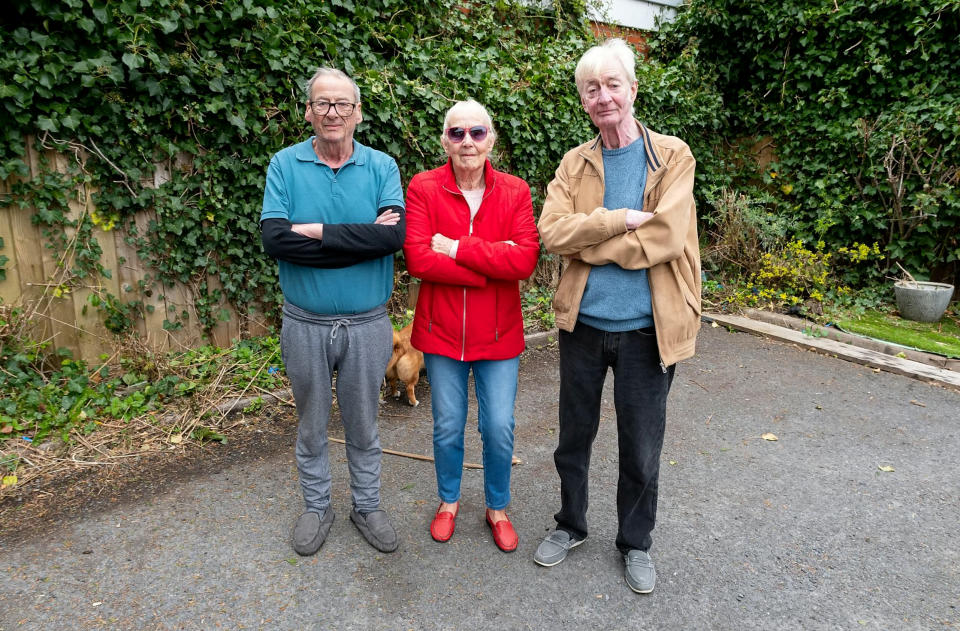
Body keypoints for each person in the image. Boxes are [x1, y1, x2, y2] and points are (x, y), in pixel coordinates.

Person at [534, 39, 701, 593]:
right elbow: (551, 231)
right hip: (584, 326)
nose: (603, 97)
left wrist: (592, 240)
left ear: (632, 88)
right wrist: (619, 220)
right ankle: (570, 525)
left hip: (648, 332)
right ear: (583, 101)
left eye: (612, 85)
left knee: (641, 446)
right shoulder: (574, 162)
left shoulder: (673, 156)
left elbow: (667, 238)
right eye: (591, 88)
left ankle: (635, 542)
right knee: (572, 438)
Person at [260, 67, 405, 555]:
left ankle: (366, 506)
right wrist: (360, 237)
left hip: (367, 324)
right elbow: (274, 240)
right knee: (311, 423)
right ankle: (317, 507)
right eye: (323, 103)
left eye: (343, 104)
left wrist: (316, 232)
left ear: (358, 112)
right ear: (308, 111)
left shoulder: (382, 166)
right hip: (304, 323)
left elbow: (393, 237)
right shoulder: (284, 164)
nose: (333, 113)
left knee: (364, 424)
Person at [404, 99, 539, 552]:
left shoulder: (515, 191)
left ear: (491, 139)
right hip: (441, 333)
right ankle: (448, 502)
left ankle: (497, 508)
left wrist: (459, 249)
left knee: (499, 425)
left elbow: (524, 260)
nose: (467, 142)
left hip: (498, 335)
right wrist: (489, 263)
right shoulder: (424, 187)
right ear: (445, 140)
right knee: (447, 425)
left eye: (477, 133)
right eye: (457, 133)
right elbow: (419, 258)